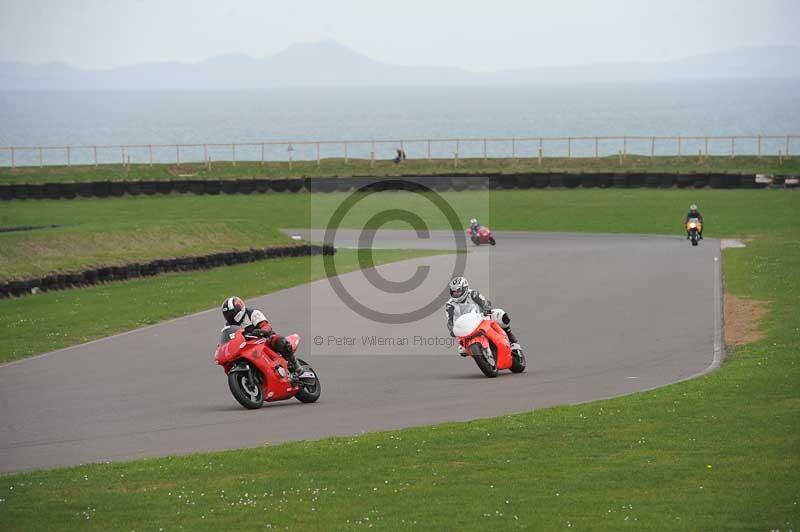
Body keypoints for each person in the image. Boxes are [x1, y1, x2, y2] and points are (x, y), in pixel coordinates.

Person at [221, 296, 300, 374]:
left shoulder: (252, 314)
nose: (230, 316)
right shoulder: (229, 326)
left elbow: (266, 326)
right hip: (247, 347)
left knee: (280, 341)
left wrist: (262, 331)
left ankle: (297, 367)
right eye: (227, 315)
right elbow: (228, 339)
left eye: (231, 313)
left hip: (264, 340)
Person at [444, 276, 520, 355]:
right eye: (453, 291)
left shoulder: (473, 294)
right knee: (461, 351)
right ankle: (481, 354)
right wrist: (451, 330)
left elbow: (484, 303)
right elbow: (450, 320)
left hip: (481, 318)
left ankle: (509, 333)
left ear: (465, 288)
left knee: (501, 314)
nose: (455, 294)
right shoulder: (449, 305)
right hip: (466, 326)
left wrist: (486, 308)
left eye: (458, 291)